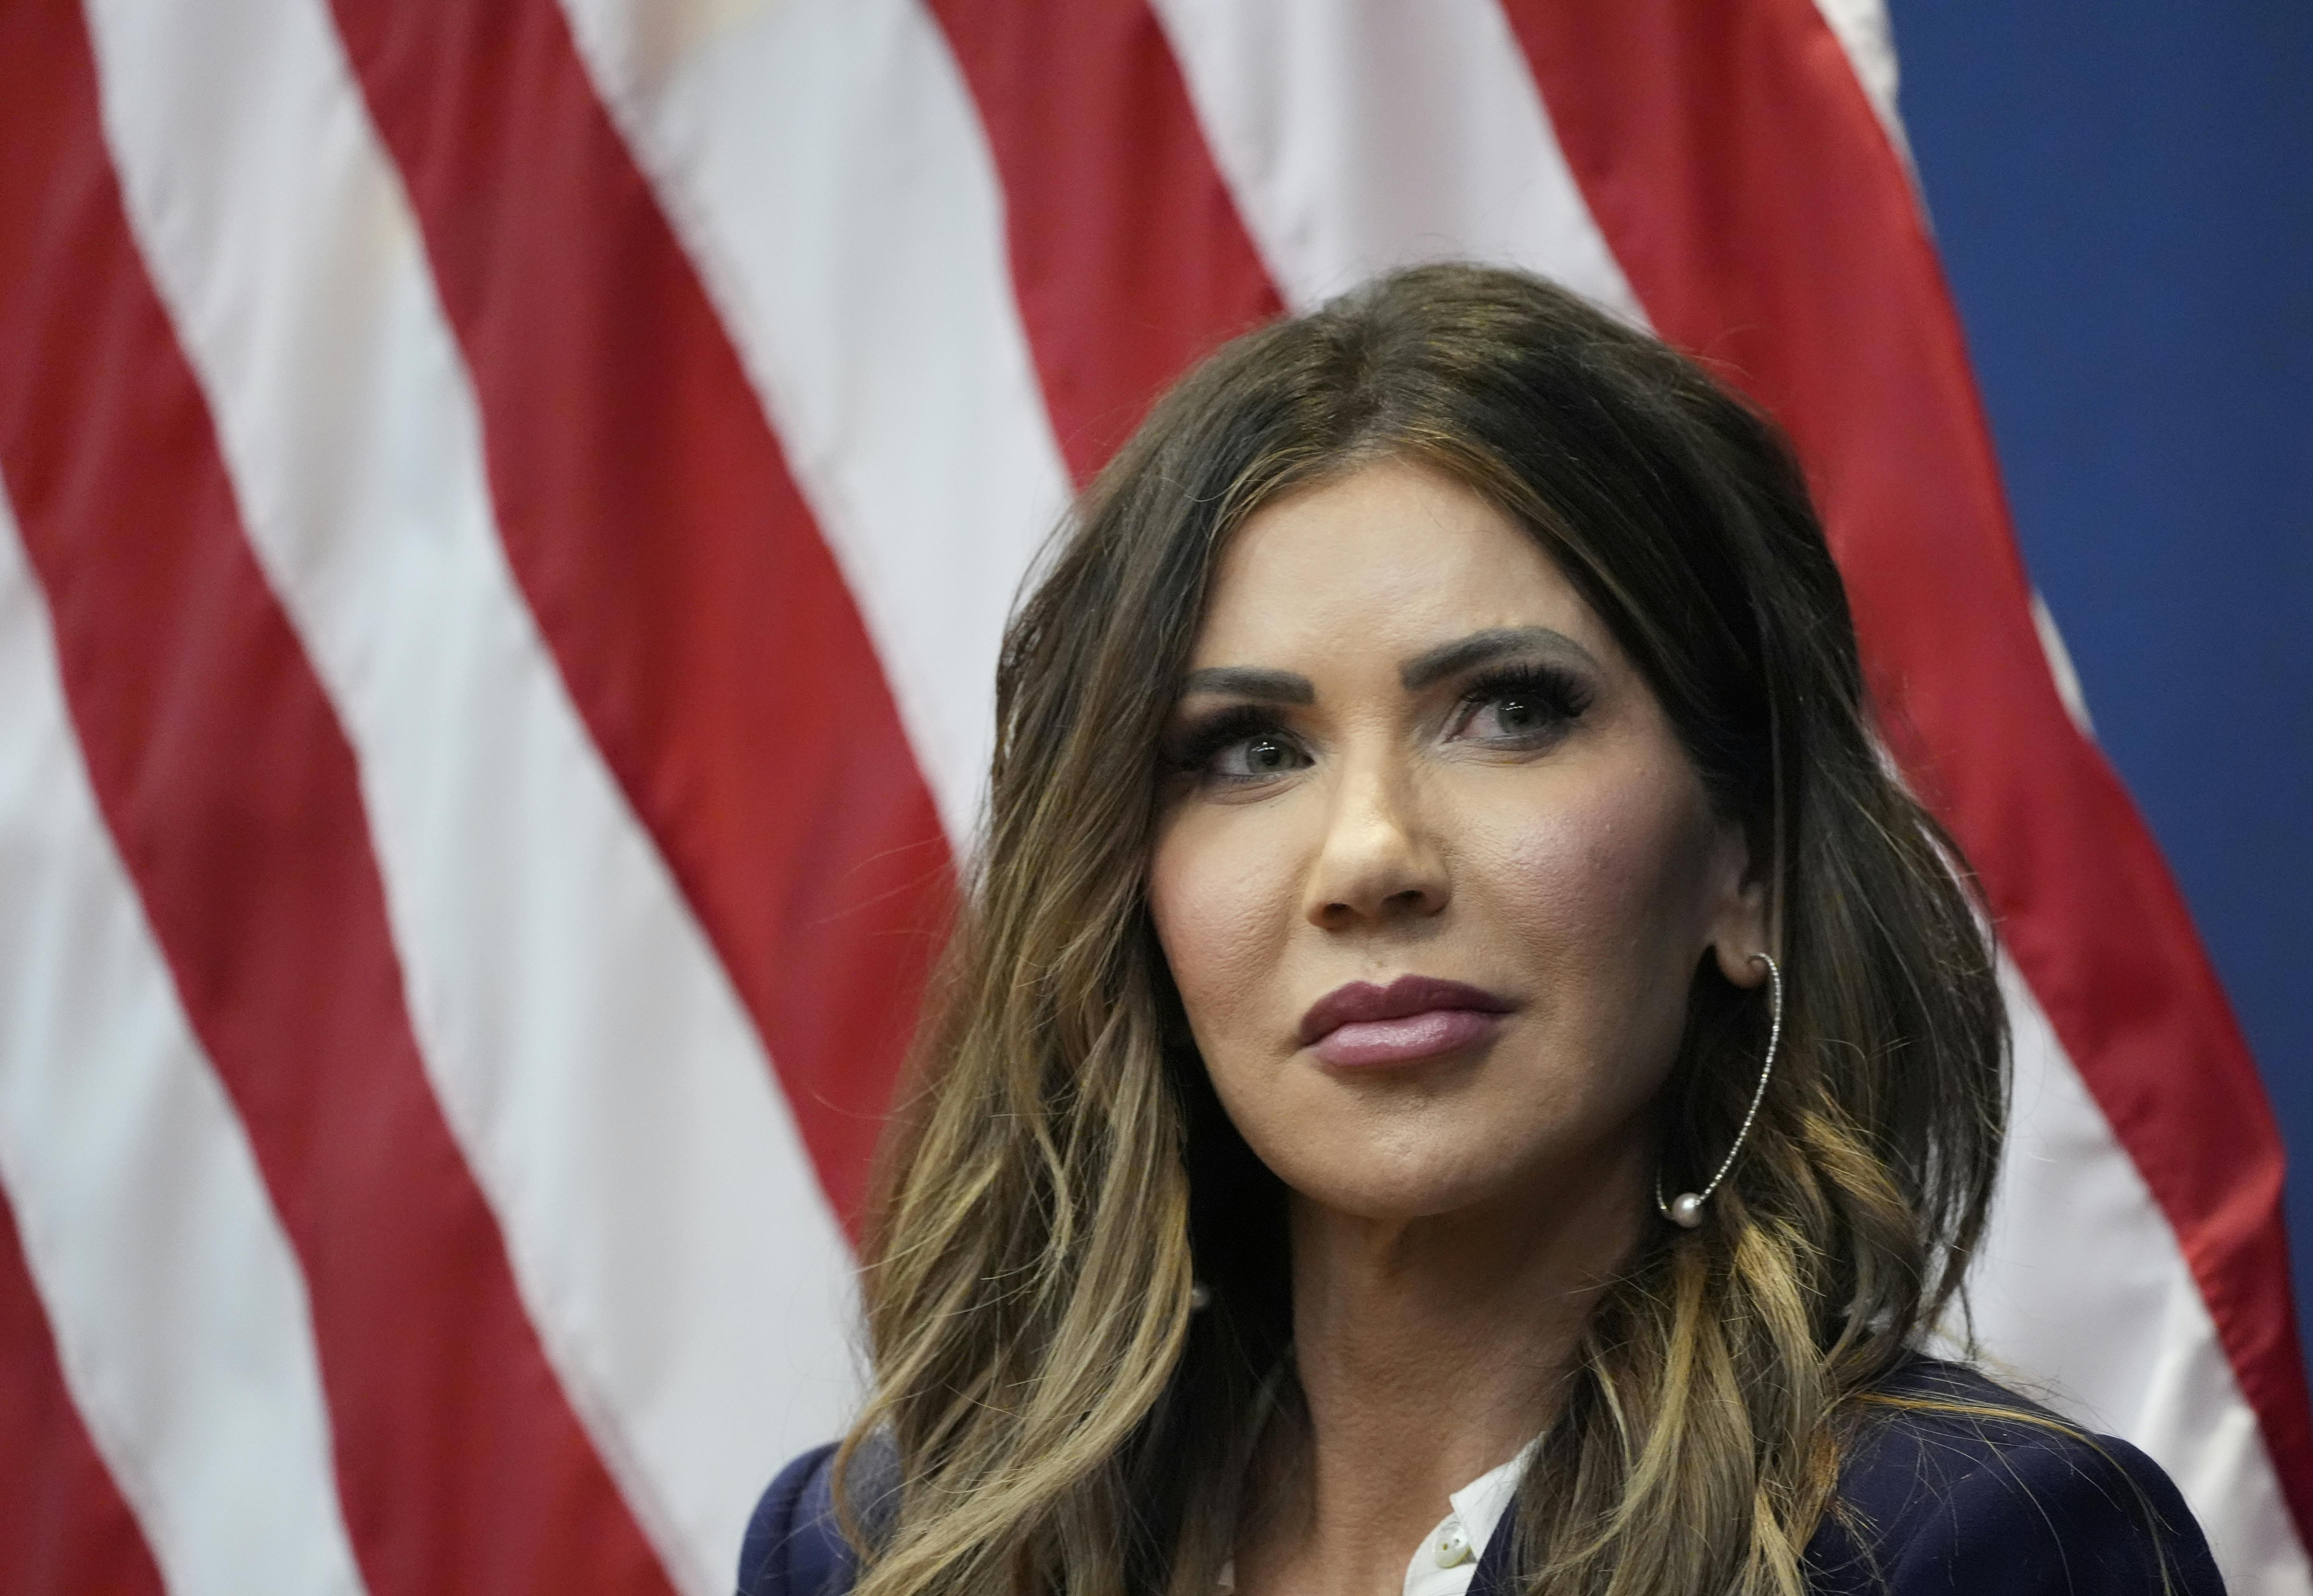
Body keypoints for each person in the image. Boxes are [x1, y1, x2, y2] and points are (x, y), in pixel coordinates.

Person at [739, 265, 2224, 1596]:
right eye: (1251, 750)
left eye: (1511, 714)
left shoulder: (1963, 1553)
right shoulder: (876, 1551)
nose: (1371, 854)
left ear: (1746, 865)